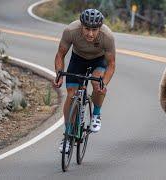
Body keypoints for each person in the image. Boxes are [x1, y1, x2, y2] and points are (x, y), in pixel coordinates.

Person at [53, 9, 116, 152]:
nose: (90, 33)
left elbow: (111, 64)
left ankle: (96, 114)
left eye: (94, 30)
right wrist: (59, 74)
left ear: (100, 28)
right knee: (71, 94)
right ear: (81, 25)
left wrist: (103, 83)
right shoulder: (70, 31)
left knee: (97, 82)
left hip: (99, 61)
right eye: (87, 29)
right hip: (78, 60)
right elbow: (60, 55)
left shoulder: (107, 37)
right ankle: (68, 135)